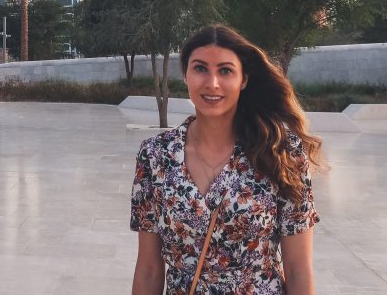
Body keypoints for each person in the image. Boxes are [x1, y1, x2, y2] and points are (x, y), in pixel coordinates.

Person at [130, 25, 323, 295]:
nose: (212, 83)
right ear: (185, 74)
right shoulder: (156, 155)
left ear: (243, 79)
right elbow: (149, 268)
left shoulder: (281, 152)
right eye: (200, 68)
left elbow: (299, 269)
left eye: (225, 70)